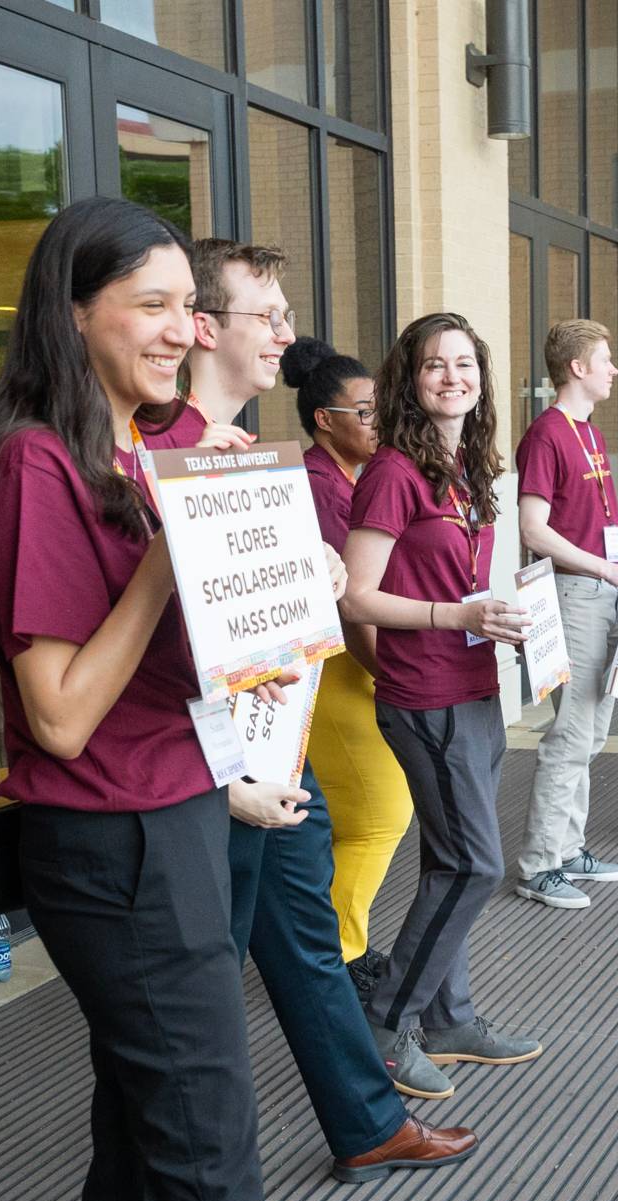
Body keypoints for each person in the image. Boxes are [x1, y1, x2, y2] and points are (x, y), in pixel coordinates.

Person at [0, 195, 329, 1201]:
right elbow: (54, 713)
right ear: (76, 310)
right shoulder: (31, 468)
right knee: (208, 1171)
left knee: (138, 1147)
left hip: (171, 812)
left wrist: (247, 526)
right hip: (105, 843)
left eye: (194, 305)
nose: (187, 331)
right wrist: (178, 555)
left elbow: (247, 625)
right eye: (157, 306)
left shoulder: (140, 449)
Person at [166, 240, 477, 1183]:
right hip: (218, 777)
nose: (289, 335)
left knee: (307, 952)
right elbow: (163, 659)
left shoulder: (243, 461)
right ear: (205, 328)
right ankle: (208, 1186)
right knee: (200, 993)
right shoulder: (156, 457)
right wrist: (229, 779)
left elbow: (256, 633)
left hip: (276, 757)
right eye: (272, 315)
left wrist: (316, 581)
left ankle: (366, 1123)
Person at [339, 312, 544, 1082]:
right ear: (410, 379)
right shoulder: (392, 472)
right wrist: (454, 615)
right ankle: (388, 1025)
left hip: (474, 686)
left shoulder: (461, 469)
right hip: (425, 695)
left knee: (448, 857)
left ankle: (450, 1017)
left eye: (465, 363)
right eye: (434, 365)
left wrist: (503, 621)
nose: (452, 377)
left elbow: (456, 583)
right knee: (474, 864)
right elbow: (357, 598)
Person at [283, 336, 417, 991]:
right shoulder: (313, 485)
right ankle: (334, 954)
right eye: (364, 412)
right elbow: (349, 602)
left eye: (379, 410)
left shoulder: (355, 477)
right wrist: (396, 676)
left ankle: (340, 942)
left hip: (356, 661)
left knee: (361, 816)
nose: (377, 423)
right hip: (330, 666)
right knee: (379, 813)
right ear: (323, 421)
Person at [510, 318, 618, 909]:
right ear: (577, 368)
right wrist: (607, 571)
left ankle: (568, 850)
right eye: (606, 360)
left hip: (603, 591)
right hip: (572, 596)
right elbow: (531, 529)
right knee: (570, 735)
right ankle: (539, 863)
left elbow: (607, 531)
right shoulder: (547, 434)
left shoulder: (589, 435)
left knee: (591, 733)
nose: (614, 370)